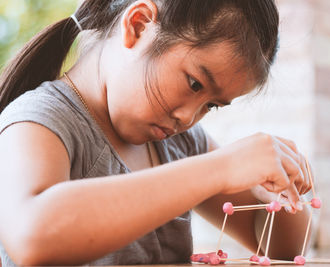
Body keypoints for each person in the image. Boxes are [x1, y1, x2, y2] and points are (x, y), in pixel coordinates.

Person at [0, 0, 313, 265]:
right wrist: (222, 167)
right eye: (194, 84)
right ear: (138, 26)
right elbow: (31, 235)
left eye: (212, 106)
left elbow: (279, 248)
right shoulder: (41, 119)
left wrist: (283, 195)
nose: (188, 117)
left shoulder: (182, 144)